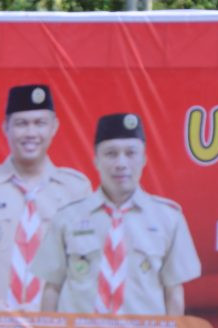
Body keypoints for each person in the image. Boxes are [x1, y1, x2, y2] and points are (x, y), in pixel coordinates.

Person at [34, 113, 201, 316]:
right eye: (111, 154)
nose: (121, 163)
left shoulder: (168, 218)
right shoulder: (68, 217)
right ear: (96, 160)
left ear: (144, 158)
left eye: (131, 153)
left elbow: (173, 292)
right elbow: (52, 287)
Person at [0, 85, 90, 311]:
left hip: (53, 326)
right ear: (5, 127)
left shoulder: (75, 189)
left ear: (54, 126)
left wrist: (42, 309)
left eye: (39, 123)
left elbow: (83, 260)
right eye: (21, 124)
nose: (31, 133)